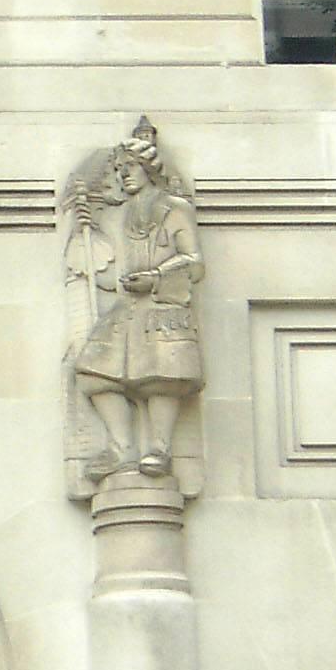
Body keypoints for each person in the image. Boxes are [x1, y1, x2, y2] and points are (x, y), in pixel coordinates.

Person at [68, 118, 202, 479]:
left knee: (160, 374)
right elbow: (109, 262)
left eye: (130, 167)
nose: (124, 174)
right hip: (129, 301)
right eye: (119, 169)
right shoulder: (122, 212)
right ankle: (122, 447)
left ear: (148, 169)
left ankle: (159, 447)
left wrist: (157, 277)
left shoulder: (174, 207)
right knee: (92, 370)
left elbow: (194, 262)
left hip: (161, 302)